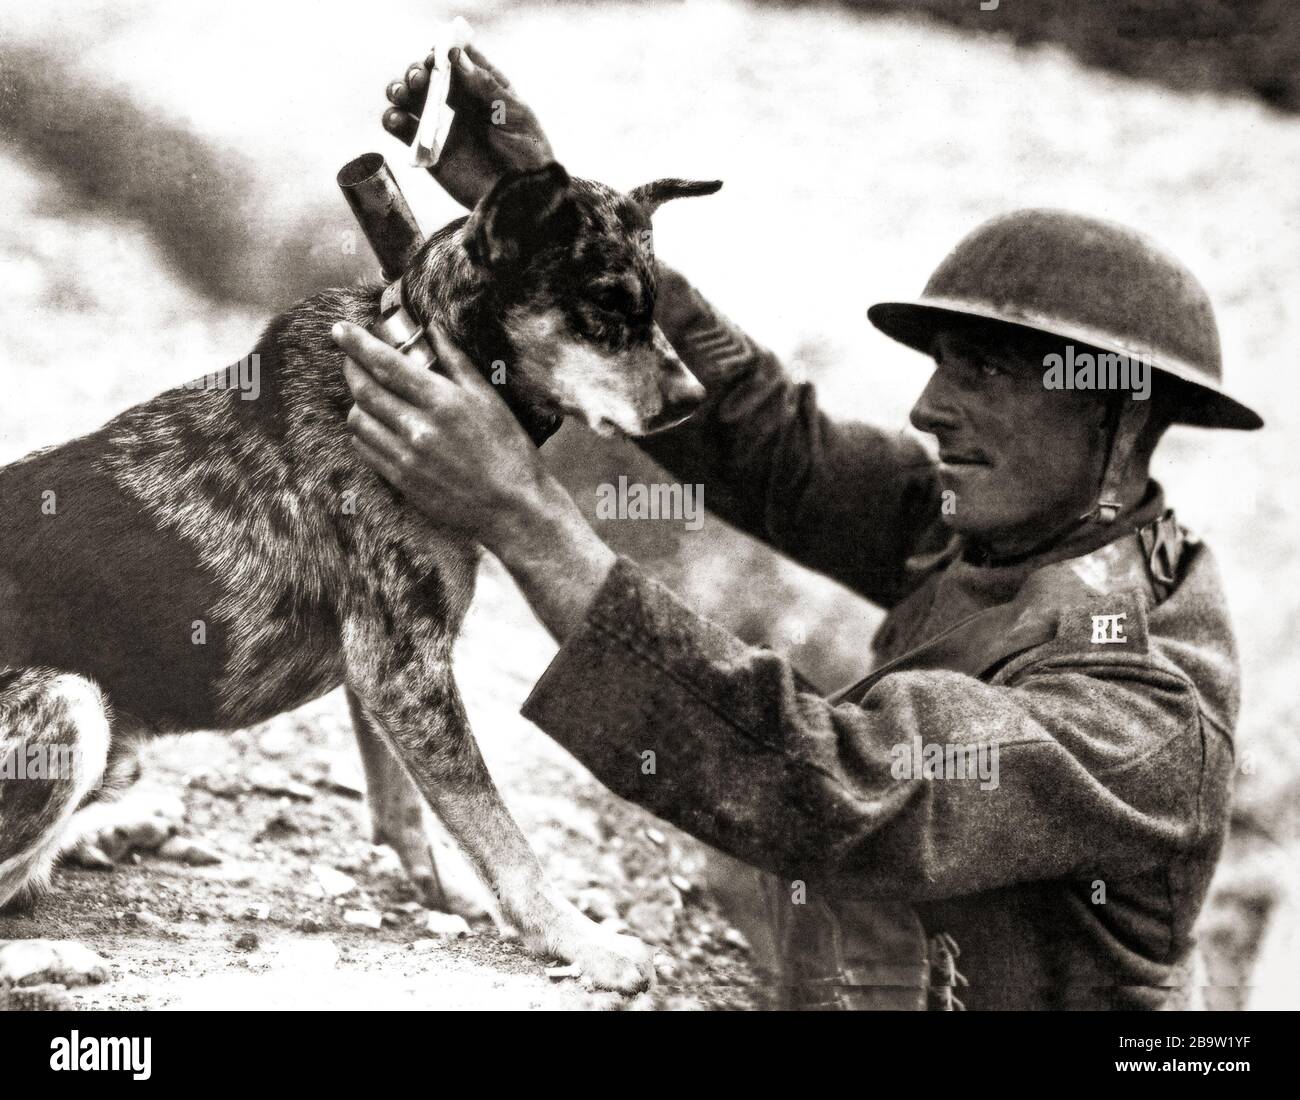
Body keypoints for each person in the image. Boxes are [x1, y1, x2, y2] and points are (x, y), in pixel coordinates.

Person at [330, 45, 1263, 1010]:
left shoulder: (1138, 703)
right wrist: (545, 214)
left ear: (1115, 415)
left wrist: (524, 516)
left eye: (981, 372)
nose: (927, 410)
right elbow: (772, 447)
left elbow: (838, 786)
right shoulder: (1017, 526)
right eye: (941, 365)